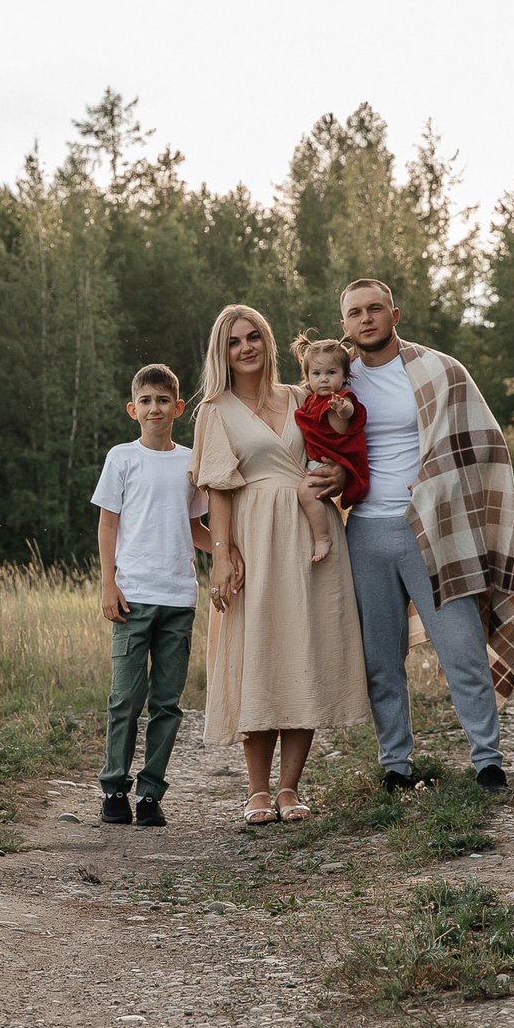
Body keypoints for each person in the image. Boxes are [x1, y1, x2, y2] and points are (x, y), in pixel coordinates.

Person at [303, 278, 514, 793]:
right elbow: (312, 445)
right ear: (344, 325)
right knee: (381, 657)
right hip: (364, 530)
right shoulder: (337, 382)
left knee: (462, 646)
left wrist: (443, 486)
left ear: (395, 314)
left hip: (432, 527)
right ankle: (396, 767)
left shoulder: (439, 371)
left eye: (376, 309)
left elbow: (485, 445)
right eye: (355, 313)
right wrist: (336, 479)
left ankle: (487, 761)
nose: (366, 319)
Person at [191, 303, 369, 824]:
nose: (245, 347)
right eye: (234, 341)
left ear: (268, 343)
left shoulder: (301, 395)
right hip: (255, 538)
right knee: (259, 652)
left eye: (254, 337)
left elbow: (342, 443)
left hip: (312, 539)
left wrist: (337, 476)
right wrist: (222, 557)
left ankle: (290, 788)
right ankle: (257, 790)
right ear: (221, 352)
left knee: (303, 652)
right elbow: (218, 490)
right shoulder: (215, 410)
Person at [91, 363, 212, 826]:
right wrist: (109, 582)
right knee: (125, 698)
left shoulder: (190, 462)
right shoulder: (122, 458)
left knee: (167, 701)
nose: (154, 408)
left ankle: (150, 794)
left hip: (179, 599)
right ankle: (115, 790)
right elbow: (108, 522)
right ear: (132, 409)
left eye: (163, 400)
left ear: (178, 408)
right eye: (146, 401)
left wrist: (228, 553)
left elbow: (195, 526)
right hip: (131, 597)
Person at [289, 333, 369, 563]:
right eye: (316, 374)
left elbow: (350, 412)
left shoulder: (342, 397)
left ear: (345, 376)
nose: (323, 379)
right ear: (307, 377)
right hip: (316, 459)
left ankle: (322, 537)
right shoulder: (310, 400)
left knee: (306, 492)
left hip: (329, 462)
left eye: (331, 373)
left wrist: (341, 409)